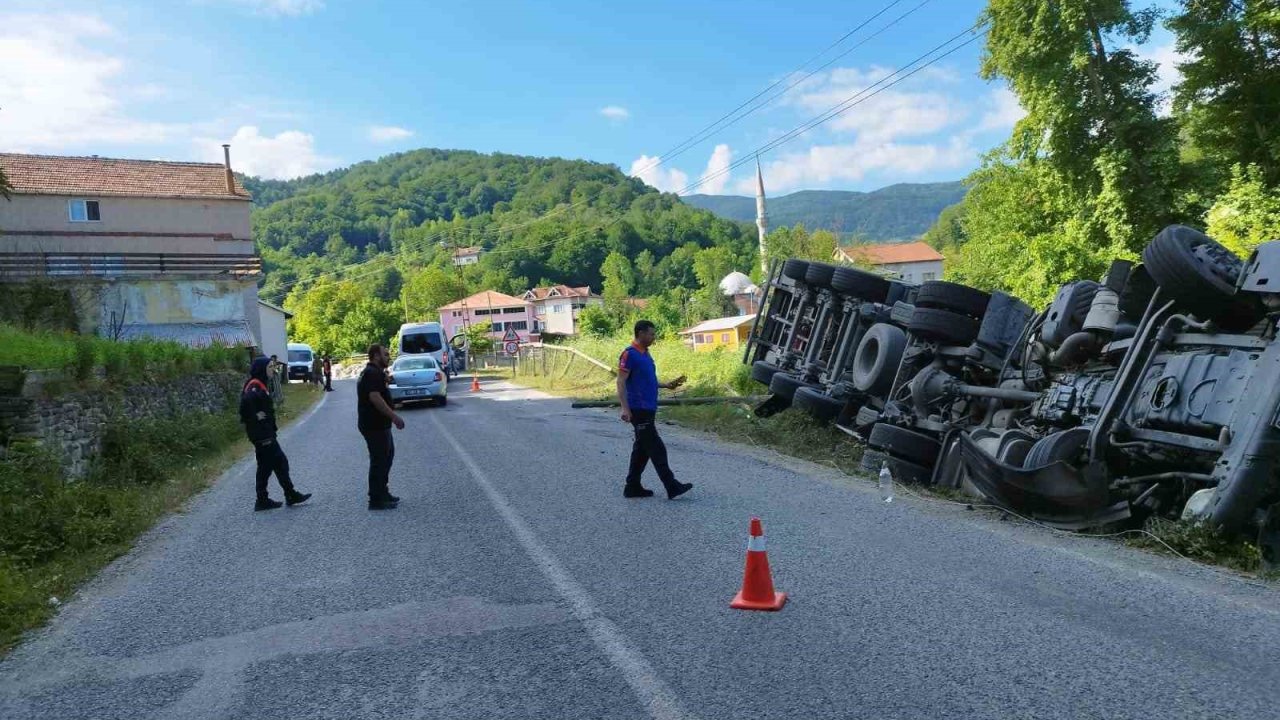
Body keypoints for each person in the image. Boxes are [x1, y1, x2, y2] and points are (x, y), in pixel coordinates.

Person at [616, 320, 694, 500]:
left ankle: (632, 486)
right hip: (638, 408)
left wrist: (666, 385)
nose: (653, 337)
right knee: (657, 448)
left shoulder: (646, 354)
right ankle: (671, 485)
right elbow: (620, 381)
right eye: (651, 334)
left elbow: (647, 380)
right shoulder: (629, 354)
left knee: (642, 450)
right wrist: (624, 408)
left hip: (649, 408)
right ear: (640, 333)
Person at [240, 356, 311, 511]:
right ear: (261, 369)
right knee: (279, 462)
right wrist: (254, 416)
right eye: (270, 367)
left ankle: (265, 499)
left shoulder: (258, 383)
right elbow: (246, 403)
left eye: (273, 366)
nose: (273, 369)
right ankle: (288, 494)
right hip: (263, 435)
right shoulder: (255, 386)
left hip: (264, 433)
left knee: (267, 466)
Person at [358, 343, 405, 509]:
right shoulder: (372, 373)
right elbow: (375, 397)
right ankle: (376, 499)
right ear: (376, 356)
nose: (388, 357)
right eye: (385, 354)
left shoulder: (375, 373)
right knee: (379, 460)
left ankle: (383, 492)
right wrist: (394, 417)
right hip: (374, 425)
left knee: (387, 457)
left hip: (378, 424)